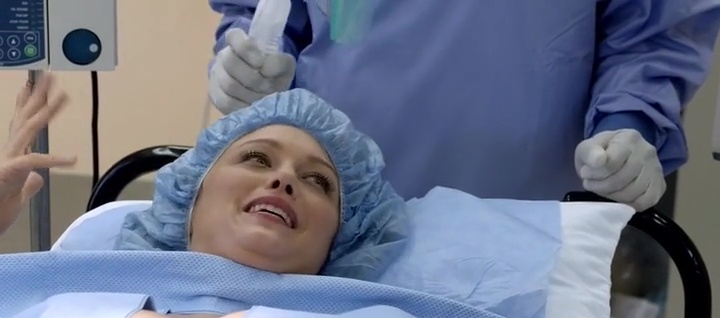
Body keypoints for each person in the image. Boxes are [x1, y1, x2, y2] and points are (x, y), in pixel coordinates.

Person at [0, 75, 717, 318]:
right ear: (187, 198)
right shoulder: (67, 286)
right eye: (257, 158)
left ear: (340, 242)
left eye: (317, 182)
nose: (284, 179)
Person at [207, 0, 720, 212]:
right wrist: (251, 59)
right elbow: (267, 10)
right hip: (323, 207)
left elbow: (653, 32)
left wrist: (629, 124)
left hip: (515, 224)